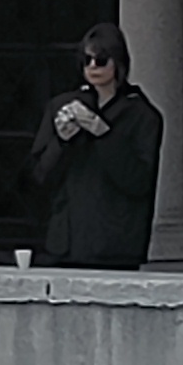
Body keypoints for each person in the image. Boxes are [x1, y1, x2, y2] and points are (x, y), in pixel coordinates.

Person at [26, 26, 161, 270]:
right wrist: (62, 141)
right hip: (65, 242)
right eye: (86, 60)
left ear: (118, 62)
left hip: (115, 244)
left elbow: (139, 181)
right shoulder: (62, 105)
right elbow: (40, 177)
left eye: (100, 60)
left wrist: (103, 133)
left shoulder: (142, 115)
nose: (92, 67)